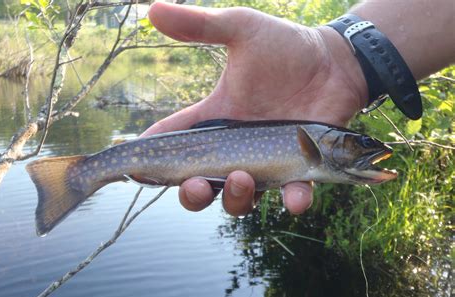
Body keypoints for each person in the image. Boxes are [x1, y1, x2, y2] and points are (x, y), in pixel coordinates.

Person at [141, 0, 455, 216]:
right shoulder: (314, 144)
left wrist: (348, 61)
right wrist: (345, 57)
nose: (369, 148)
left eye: (364, 144)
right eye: (362, 144)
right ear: (328, 145)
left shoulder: (317, 143)